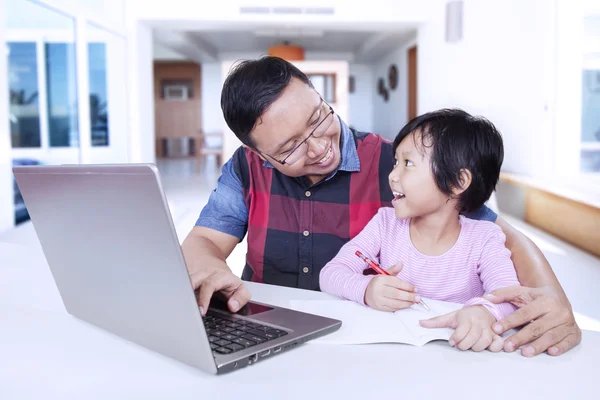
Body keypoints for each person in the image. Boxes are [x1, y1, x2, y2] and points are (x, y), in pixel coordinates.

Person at [181, 56, 581, 357]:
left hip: (367, 346)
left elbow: (502, 236)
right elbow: (203, 241)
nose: (320, 147)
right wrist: (210, 266)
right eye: (291, 148)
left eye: (319, 118)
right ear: (259, 154)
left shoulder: (398, 166)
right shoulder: (246, 168)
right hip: (265, 333)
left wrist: (552, 300)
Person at [319, 109, 520, 352]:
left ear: (457, 182)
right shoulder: (385, 223)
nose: (392, 175)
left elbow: (510, 297)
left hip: (457, 359)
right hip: (392, 354)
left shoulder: (484, 238)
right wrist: (366, 289)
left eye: (408, 163)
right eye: (395, 163)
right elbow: (330, 274)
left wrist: (483, 312)